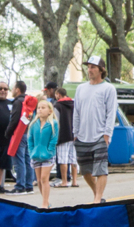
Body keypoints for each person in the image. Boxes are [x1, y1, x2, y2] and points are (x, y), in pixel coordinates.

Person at [73, 59, 120, 204]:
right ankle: (97, 195)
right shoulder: (81, 88)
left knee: (101, 169)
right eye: (88, 67)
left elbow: (111, 112)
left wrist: (107, 133)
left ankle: (97, 199)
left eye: (93, 67)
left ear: (101, 70)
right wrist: (75, 133)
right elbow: (76, 112)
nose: (89, 70)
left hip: (100, 135)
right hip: (81, 136)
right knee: (86, 171)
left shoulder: (108, 88)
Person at [24, 97, 60, 209]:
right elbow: (30, 139)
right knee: (39, 180)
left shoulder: (53, 123)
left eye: (43, 108)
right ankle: (46, 200)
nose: (40, 110)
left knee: (44, 178)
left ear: (49, 110)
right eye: (38, 108)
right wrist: (31, 151)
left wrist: (49, 151)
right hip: (35, 156)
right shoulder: (33, 124)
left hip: (48, 156)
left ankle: (44, 203)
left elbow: (54, 140)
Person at [6, 81, 36, 192]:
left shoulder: (18, 102)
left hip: (19, 134)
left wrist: (8, 132)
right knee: (27, 159)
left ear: (17, 89)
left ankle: (20, 186)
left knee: (19, 160)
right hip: (28, 133)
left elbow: (14, 119)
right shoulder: (29, 102)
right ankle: (29, 185)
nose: (11, 90)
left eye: (13, 88)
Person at [48, 80, 78, 188]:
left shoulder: (58, 106)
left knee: (62, 159)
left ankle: (64, 181)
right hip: (74, 135)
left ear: (58, 94)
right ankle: (74, 181)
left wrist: (54, 135)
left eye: (56, 95)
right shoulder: (74, 104)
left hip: (63, 136)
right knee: (73, 159)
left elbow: (56, 122)